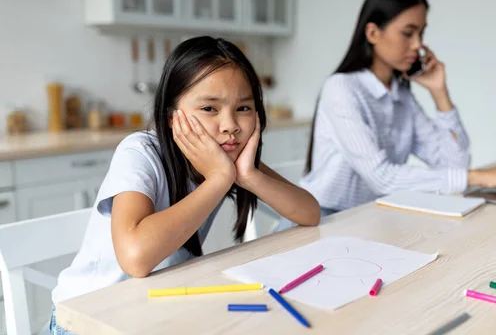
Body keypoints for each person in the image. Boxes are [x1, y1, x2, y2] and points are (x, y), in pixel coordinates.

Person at [49, 36, 320, 334]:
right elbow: (135, 258)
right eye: (209, 109)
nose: (230, 124)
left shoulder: (231, 159)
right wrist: (219, 180)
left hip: (156, 311)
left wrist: (249, 176)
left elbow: (310, 213)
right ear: (170, 117)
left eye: (243, 108)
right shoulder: (140, 152)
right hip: (86, 320)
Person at [297, 0, 496, 219]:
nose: (417, 45)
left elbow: (452, 164)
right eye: (408, 33)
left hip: (370, 218)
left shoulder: (401, 96)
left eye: (421, 33)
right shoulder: (341, 88)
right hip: (323, 218)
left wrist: (439, 92)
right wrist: (477, 177)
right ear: (373, 33)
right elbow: (381, 177)